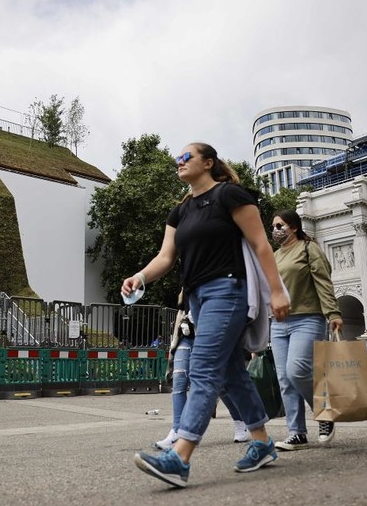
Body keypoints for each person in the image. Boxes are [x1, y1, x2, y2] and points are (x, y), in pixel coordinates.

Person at [122, 142, 290, 488]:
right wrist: (140, 276)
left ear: (208, 162)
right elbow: (166, 257)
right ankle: (261, 442)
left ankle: (179, 458)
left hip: (228, 290)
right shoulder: (180, 211)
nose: (179, 162)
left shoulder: (230, 195)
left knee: (203, 367)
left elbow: (261, 244)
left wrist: (276, 291)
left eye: (187, 157)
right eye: (177, 159)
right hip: (197, 297)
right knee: (230, 373)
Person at [269, 209, 341, 452]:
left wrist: (333, 312)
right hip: (278, 323)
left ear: (294, 227)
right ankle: (296, 432)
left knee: (297, 370)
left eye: (280, 225)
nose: (276, 230)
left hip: (307, 318)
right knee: (284, 380)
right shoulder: (275, 255)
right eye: (274, 226)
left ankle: (324, 413)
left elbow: (323, 282)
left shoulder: (309, 249)